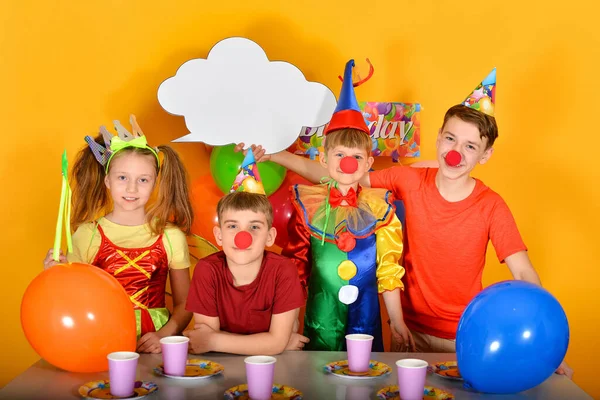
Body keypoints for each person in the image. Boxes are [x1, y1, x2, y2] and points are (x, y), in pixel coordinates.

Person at [275, 60, 407, 352]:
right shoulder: (307, 206)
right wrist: (287, 328)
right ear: (323, 159)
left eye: (357, 157)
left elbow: (388, 270)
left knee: (366, 380)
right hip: (320, 317)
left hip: (367, 317)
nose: (348, 163)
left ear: (368, 164)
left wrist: (396, 322)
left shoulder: (382, 209)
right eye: (340, 154)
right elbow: (295, 271)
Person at [43, 115, 194, 354]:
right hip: (102, 340)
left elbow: (185, 303)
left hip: (155, 345)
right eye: (122, 177)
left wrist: (164, 336)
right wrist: (55, 275)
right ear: (108, 181)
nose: (131, 189)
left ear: (154, 183)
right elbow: (73, 300)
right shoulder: (87, 235)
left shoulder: (170, 236)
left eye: (143, 180)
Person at [184, 190, 308, 355]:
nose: (243, 237)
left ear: (269, 237)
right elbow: (204, 342)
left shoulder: (284, 270)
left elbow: (209, 340)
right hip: (221, 366)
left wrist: (214, 341)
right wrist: (272, 343)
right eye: (232, 226)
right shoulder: (207, 270)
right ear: (219, 235)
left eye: (254, 226)